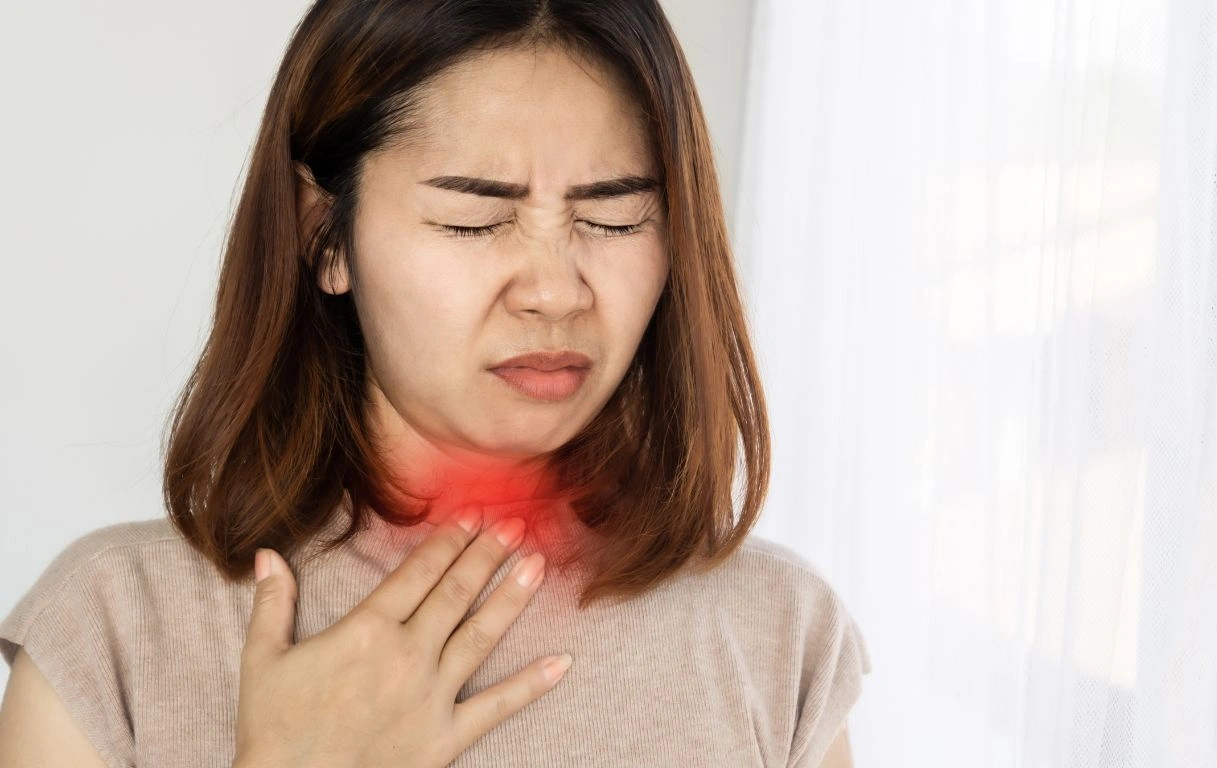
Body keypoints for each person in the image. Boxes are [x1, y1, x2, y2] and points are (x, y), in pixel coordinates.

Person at [0, 1, 871, 766]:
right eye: (475, 220)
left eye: (614, 216)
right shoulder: (114, 631)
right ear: (324, 237)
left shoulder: (777, 634)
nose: (555, 291)